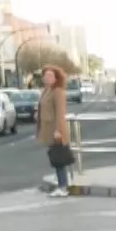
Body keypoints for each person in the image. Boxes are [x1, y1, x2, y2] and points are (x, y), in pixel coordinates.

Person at [38, 64, 72, 197]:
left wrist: (58, 130)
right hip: (49, 128)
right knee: (55, 158)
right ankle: (62, 185)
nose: (47, 78)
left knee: (59, 159)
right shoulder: (47, 90)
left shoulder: (58, 91)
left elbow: (60, 112)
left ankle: (63, 187)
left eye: (50, 75)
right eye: (45, 75)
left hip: (56, 129)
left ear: (56, 78)